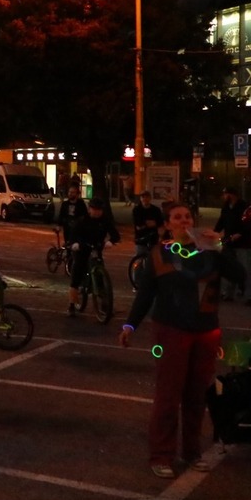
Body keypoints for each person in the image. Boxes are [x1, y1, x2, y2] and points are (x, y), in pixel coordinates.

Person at [119, 202, 244, 479]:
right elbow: (146, 294)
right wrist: (130, 325)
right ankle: (161, 454)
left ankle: (191, 452)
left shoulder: (210, 252)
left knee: (197, 396)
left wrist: (220, 244)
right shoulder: (159, 254)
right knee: (168, 395)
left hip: (206, 332)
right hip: (170, 331)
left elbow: (241, 276)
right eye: (178, 217)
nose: (184, 221)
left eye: (188, 216)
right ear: (168, 225)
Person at [68, 199, 120, 316]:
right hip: (82, 249)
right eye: (94, 209)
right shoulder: (82, 221)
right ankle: (71, 304)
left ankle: (104, 303)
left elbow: (115, 235)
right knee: (77, 274)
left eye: (99, 210)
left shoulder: (105, 221)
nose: (97, 212)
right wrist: (75, 244)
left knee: (101, 274)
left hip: (96, 248)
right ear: (89, 209)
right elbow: (72, 236)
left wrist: (111, 241)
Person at [213, 186, 250, 301]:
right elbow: (221, 222)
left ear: (232, 195)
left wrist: (240, 233)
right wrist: (214, 233)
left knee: (245, 269)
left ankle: (248, 295)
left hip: (243, 243)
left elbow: (248, 224)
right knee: (228, 267)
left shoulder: (245, 207)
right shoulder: (226, 207)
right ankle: (228, 293)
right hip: (229, 242)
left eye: (225, 194)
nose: (223, 197)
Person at [132, 190, 165, 257]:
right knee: (140, 256)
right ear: (140, 199)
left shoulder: (156, 210)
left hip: (153, 237)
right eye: (143, 197)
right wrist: (151, 223)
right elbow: (138, 225)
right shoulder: (137, 210)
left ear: (150, 198)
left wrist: (146, 224)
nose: (145, 199)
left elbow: (160, 222)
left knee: (153, 257)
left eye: (147, 197)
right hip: (141, 237)